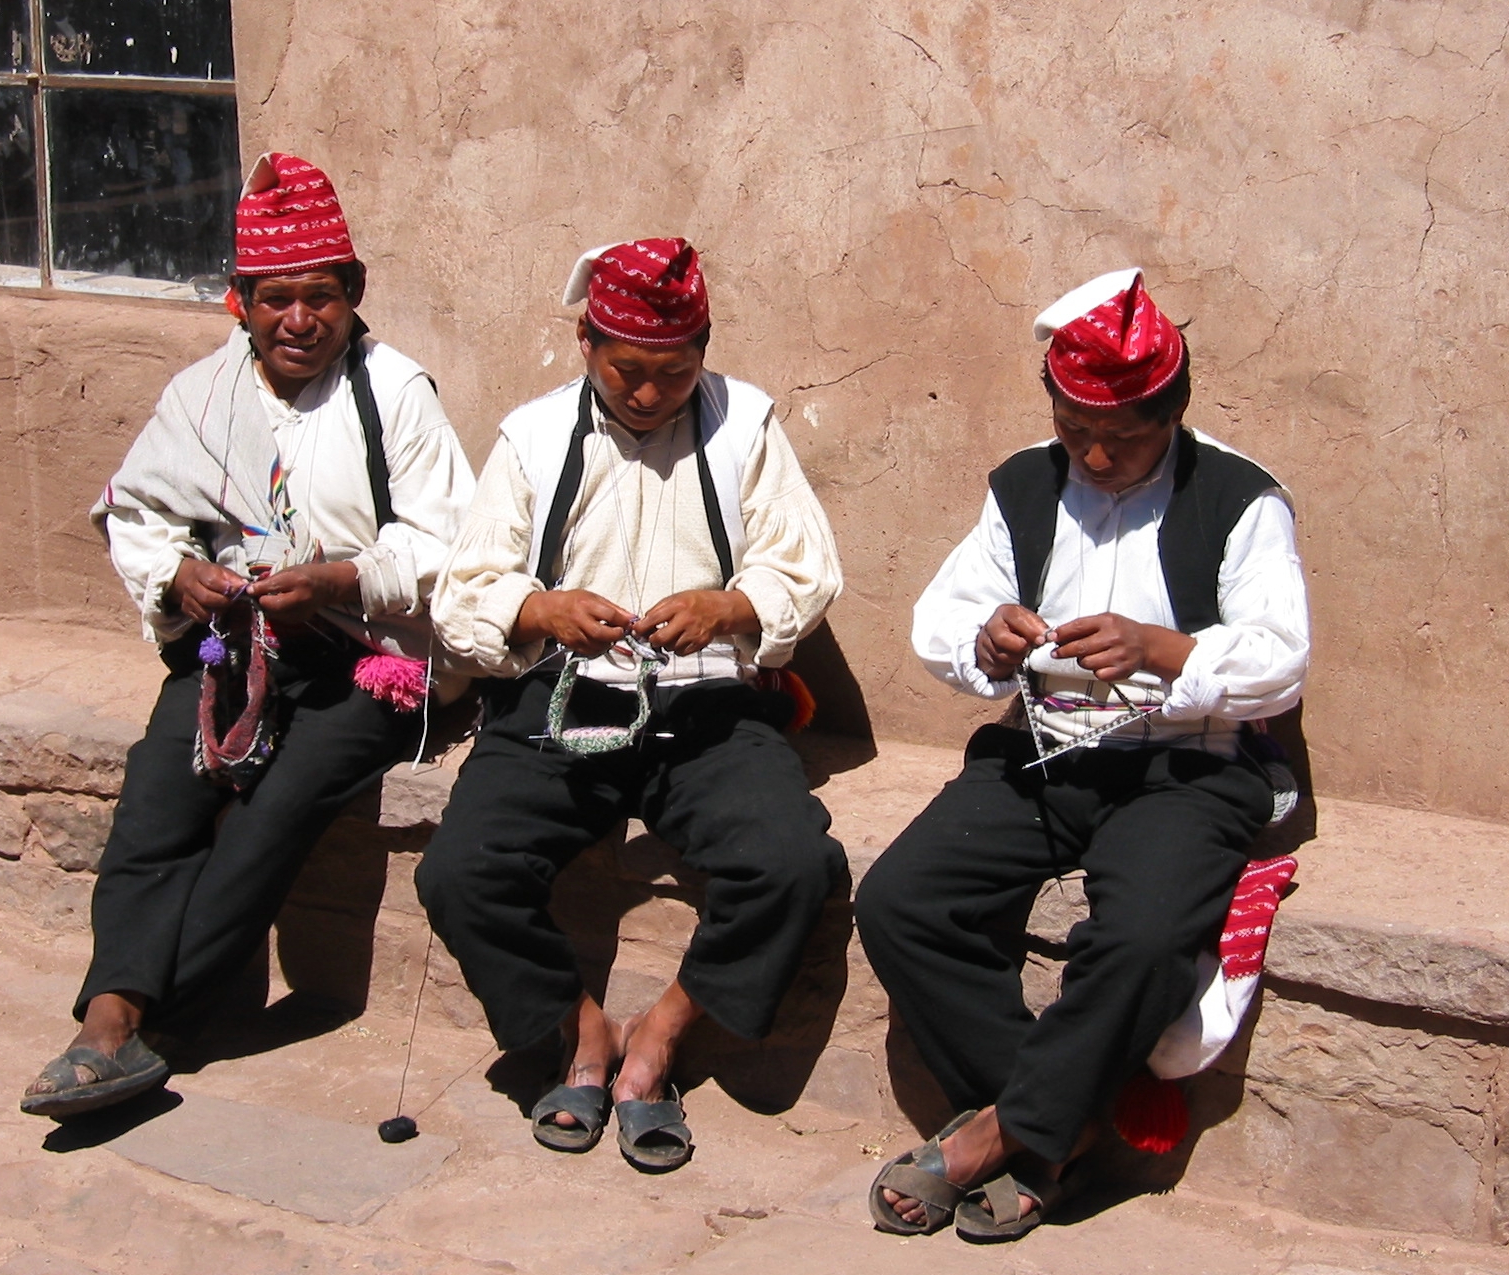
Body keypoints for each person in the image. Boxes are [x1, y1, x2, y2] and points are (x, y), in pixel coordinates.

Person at [856, 268, 1309, 1240]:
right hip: (1046, 750)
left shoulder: (1240, 499)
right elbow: (945, 611)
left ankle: (998, 1136)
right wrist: (987, 639)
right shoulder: (1024, 484)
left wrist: (1167, 650)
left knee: (1142, 939)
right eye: (1076, 431)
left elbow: (1282, 659)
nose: (1097, 454)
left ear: (1174, 411)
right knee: (902, 902)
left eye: (1125, 436)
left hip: (1184, 768)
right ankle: (1050, 1125)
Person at [21, 152, 475, 1118]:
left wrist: (340, 577)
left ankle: (158, 1022)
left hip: (370, 659)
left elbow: (449, 546)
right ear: (241, 302)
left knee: (277, 812)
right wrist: (179, 576)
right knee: (159, 790)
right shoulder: (203, 397)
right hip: (237, 643)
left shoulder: (394, 397)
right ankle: (107, 1017)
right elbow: (136, 511)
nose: (297, 321)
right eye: (274, 300)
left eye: (319, 298)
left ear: (352, 295)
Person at [418, 238, 847, 1170]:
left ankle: (658, 1038)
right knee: (459, 871)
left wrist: (729, 606)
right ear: (584, 343)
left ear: (703, 353)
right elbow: (463, 591)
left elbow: (805, 567)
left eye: (674, 373)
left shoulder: (747, 428)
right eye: (627, 372)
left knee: (790, 864)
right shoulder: (533, 437)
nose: (649, 394)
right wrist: (540, 608)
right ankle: (580, 1032)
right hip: (564, 702)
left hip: (705, 712)